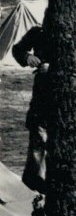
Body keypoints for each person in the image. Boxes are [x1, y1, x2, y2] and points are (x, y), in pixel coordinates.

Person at [12, 11, 51, 193]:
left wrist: (55, 68)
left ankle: (50, 183)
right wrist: (28, 58)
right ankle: (32, 186)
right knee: (37, 134)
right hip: (42, 92)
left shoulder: (72, 33)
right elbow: (17, 49)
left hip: (66, 96)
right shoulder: (37, 33)